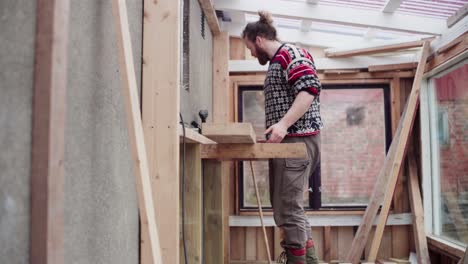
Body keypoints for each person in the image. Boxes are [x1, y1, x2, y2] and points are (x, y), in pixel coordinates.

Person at [242, 11, 323, 264]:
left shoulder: (292, 54)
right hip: (289, 145)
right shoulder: (280, 59)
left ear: (258, 40)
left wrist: (283, 126)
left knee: (288, 209)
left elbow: (309, 89)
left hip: (297, 143)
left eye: (250, 49)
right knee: (287, 208)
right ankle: (309, 261)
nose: (252, 55)